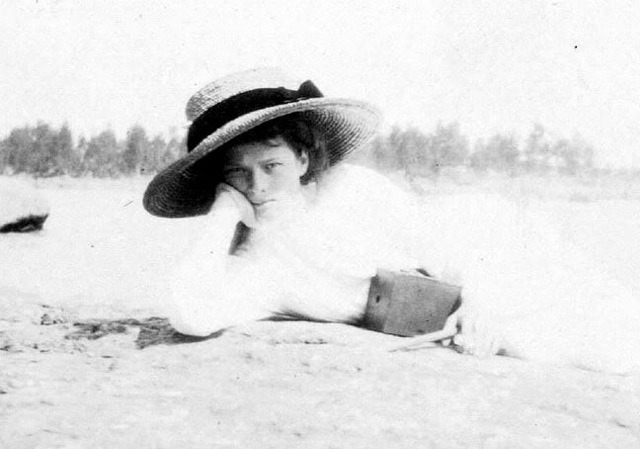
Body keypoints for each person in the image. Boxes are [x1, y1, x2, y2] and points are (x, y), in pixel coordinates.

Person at [144, 68, 640, 374]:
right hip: (439, 319)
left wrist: (485, 302)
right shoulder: (261, 266)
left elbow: (448, 244)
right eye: (238, 173)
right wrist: (222, 213)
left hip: (495, 267)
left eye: (271, 166)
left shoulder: (349, 190)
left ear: (302, 158)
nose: (257, 186)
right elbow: (192, 315)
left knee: (606, 341)